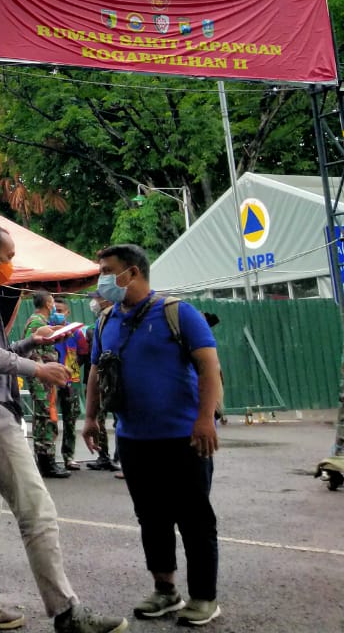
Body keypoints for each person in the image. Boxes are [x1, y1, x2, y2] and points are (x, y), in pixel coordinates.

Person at [0, 224, 127, 633]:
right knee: (37, 511)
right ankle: (67, 612)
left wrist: (28, 345)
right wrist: (36, 368)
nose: (10, 264)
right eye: (8, 256)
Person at [85, 244, 223, 627]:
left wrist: (205, 420)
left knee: (195, 518)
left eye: (108, 271)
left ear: (132, 272)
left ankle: (204, 598)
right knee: (151, 517)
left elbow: (209, 367)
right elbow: (96, 370)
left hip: (183, 437)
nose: (103, 279)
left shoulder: (178, 313)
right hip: (133, 439)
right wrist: (91, 417)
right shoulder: (106, 320)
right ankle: (166, 590)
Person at [22, 291, 68, 478]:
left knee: (46, 414)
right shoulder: (36, 322)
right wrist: (42, 372)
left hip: (44, 376)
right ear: (49, 303)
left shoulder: (42, 322)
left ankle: (46, 459)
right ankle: (46, 461)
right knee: (45, 416)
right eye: (52, 301)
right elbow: (30, 350)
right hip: (41, 377)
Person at [81, 295, 118, 473]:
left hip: (115, 386)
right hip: (104, 385)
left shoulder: (109, 322)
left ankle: (113, 456)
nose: (94, 302)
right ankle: (109, 456)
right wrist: (90, 417)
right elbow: (94, 367)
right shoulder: (101, 323)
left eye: (97, 298)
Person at [50, 299, 84, 472]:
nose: (57, 313)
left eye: (61, 310)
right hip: (51, 381)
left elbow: (83, 353)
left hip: (70, 381)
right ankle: (49, 457)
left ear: (68, 313)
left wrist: (72, 370)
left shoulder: (76, 332)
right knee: (50, 418)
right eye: (54, 310)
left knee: (70, 419)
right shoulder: (47, 329)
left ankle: (69, 456)